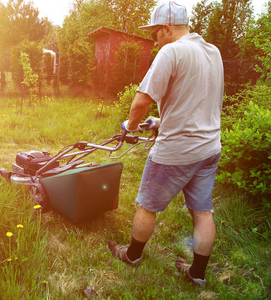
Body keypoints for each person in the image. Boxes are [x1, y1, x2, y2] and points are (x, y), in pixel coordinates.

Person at [108, 1, 224, 287]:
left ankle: (132, 255)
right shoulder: (212, 52)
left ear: (167, 29)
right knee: (202, 211)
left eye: (155, 33)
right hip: (209, 148)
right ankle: (197, 273)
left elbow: (141, 101)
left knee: (147, 205)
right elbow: (197, 101)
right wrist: (161, 122)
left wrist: (130, 126)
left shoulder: (172, 51)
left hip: (176, 152)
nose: (154, 40)